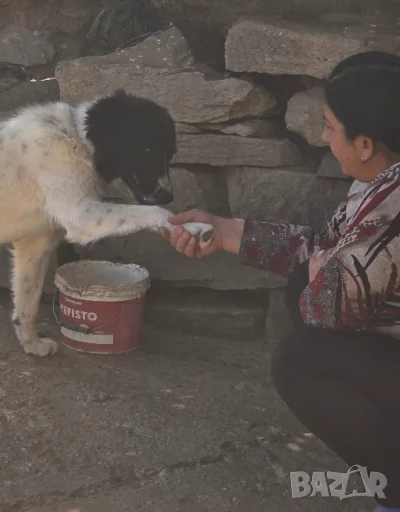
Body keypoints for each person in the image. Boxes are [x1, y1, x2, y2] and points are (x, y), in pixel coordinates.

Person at [160, 50, 400, 511]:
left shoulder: (392, 212)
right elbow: (324, 251)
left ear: (365, 143)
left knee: (302, 359)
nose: (323, 136)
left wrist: (310, 268)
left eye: (330, 127)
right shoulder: (380, 179)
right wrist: (227, 232)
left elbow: (327, 304)